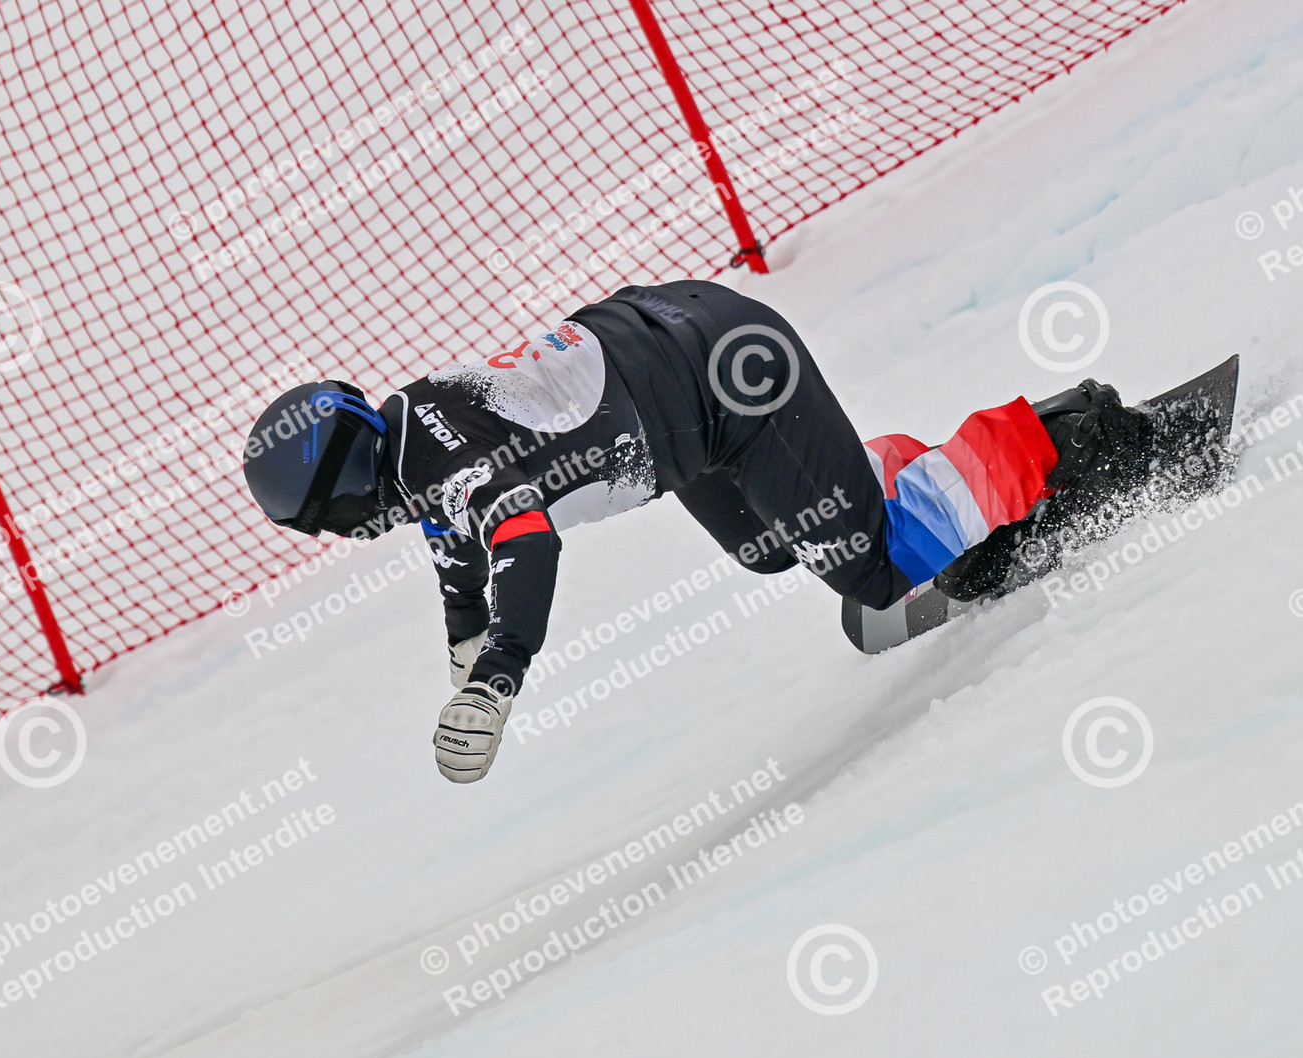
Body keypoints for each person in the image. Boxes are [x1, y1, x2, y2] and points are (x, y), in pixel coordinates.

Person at [241, 280, 1151, 783]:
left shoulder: (438, 466)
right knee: (769, 548)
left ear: (342, 491)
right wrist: (464, 626)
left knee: (877, 573)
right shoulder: (405, 432)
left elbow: (524, 538)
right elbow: (455, 528)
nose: (338, 538)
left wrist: (498, 674)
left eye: (323, 522)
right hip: (685, 383)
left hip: (722, 386)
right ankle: (886, 486)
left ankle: (1067, 438)